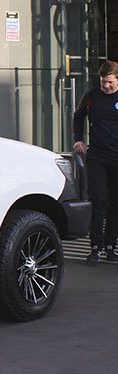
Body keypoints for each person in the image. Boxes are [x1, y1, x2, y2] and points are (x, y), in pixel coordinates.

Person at [73, 60, 118, 262]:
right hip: (98, 156)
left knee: (115, 203)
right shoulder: (92, 97)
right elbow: (78, 116)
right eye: (103, 82)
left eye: (109, 82)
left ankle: (110, 246)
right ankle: (95, 247)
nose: (106, 86)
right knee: (98, 200)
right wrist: (78, 139)